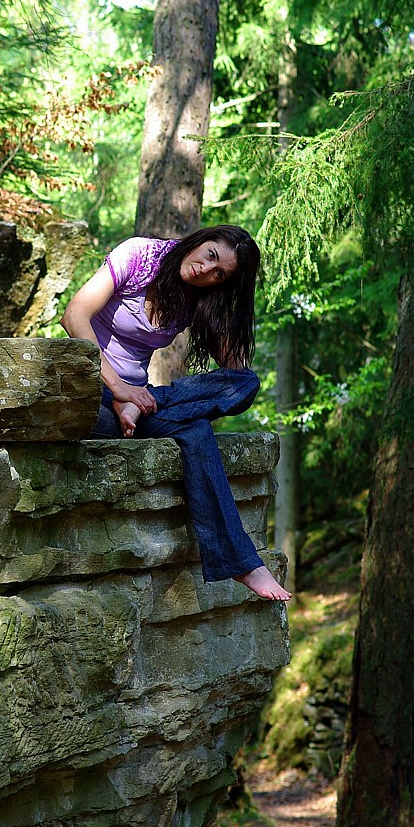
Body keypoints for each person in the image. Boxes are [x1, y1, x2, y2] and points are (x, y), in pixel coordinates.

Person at [61, 226, 291, 602]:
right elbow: (73, 316)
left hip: (139, 402)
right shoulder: (139, 256)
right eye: (211, 255)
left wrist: (225, 305)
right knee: (195, 428)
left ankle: (246, 566)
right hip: (90, 390)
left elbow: (235, 373)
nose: (206, 269)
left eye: (220, 274)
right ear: (201, 241)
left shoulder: (197, 295)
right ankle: (137, 403)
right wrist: (119, 388)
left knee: (243, 386)